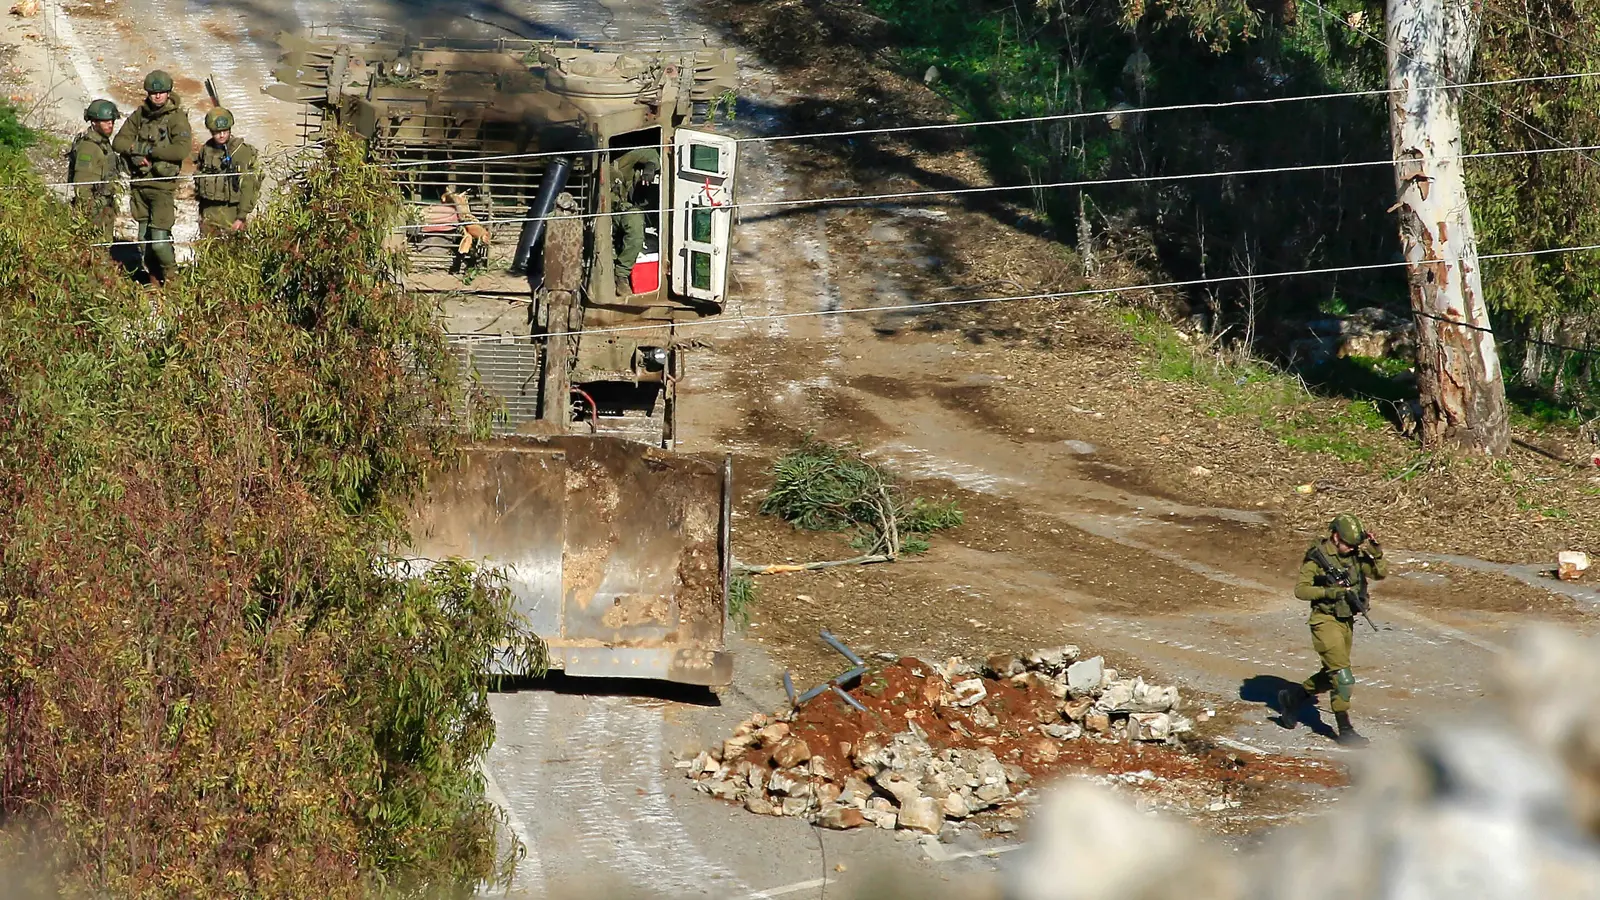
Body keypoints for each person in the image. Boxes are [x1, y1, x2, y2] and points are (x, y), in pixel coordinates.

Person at [1279, 514, 1387, 746]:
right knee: (1343, 677)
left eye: (1354, 545)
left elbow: (1380, 573)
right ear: (1336, 536)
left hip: (1346, 620)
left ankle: (1294, 696)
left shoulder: (1355, 555)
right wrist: (1330, 592)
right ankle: (1345, 729)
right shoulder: (1318, 559)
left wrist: (1376, 549)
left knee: (1332, 676)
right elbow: (1301, 590)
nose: (1350, 549)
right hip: (1324, 620)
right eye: (1348, 544)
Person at [112, 70, 192, 283]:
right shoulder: (140, 115)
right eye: (153, 93)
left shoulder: (176, 118)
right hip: (139, 185)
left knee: (159, 240)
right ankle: (154, 279)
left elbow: (181, 150)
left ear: (168, 93)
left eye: (162, 92)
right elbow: (118, 142)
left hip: (162, 186)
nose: (157, 96)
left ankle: (173, 278)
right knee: (143, 240)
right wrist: (137, 148)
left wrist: (150, 153)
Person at [193, 107, 259, 236]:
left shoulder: (240, 151)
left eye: (225, 131)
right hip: (209, 213)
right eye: (217, 132)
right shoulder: (206, 150)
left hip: (232, 213)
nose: (221, 135)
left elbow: (248, 185)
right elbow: (200, 181)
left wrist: (241, 216)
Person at [67, 99, 121, 245]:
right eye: (105, 121)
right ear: (94, 122)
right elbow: (82, 186)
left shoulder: (103, 143)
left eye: (112, 121)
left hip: (105, 207)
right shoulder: (88, 148)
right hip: (94, 210)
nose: (110, 124)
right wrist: (91, 210)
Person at [609, 147, 660, 297]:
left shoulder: (623, 161)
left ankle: (622, 275)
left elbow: (652, 154)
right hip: (589, 210)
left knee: (635, 222)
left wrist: (650, 167)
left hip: (619, 210)